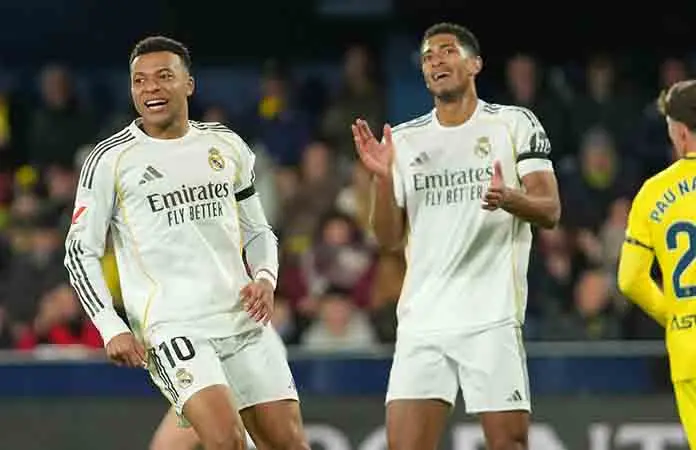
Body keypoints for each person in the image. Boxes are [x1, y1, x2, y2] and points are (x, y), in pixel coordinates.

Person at [63, 36, 309, 450]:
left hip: (243, 319)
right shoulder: (110, 160)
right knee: (226, 440)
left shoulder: (225, 145)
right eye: (140, 81)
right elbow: (79, 251)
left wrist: (266, 278)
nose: (151, 88)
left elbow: (257, 230)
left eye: (164, 77)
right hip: (173, 327)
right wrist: (110, 325)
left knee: (289, 445)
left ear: (188, 84)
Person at [352, 23, 561, 450]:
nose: (436, 61)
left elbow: (550, 210)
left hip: (490, 317)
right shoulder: (403, 141)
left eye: (447, 51)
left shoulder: (513, 123)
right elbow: (388, 239)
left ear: (475, 64)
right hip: (422, 321)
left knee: (509, 444)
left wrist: (508, 198)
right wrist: (381, 178)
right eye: (428, 56)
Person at [618, 80, 696, 449]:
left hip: (688, 346)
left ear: (680, 133)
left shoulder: (652, 193)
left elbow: (629, 279)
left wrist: (675, 314)